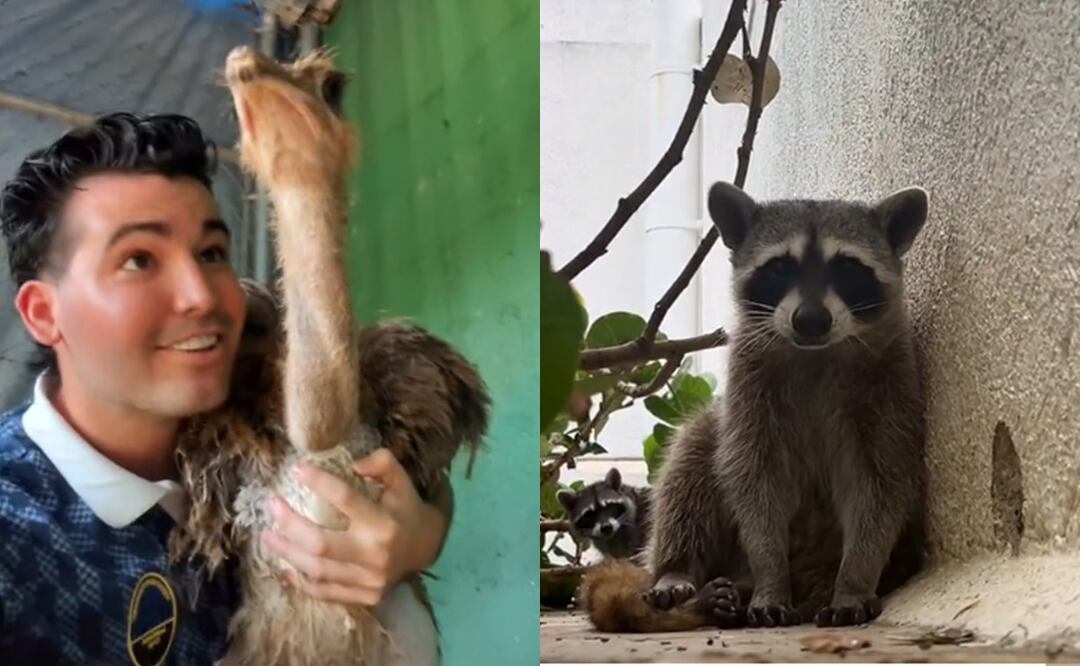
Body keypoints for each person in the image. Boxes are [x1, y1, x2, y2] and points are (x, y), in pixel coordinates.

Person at [0, 112, 450, 665]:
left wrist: (420, 535)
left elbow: (405, 463)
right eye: (138, 260)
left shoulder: (255, 380)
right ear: (45, 314)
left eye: (211, 253)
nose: (202, 297)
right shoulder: (17, 534)